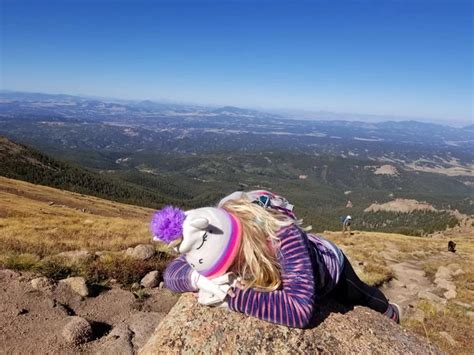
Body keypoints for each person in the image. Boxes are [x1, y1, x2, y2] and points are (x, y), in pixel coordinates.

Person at [151, 198, 400, 329]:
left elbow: (299, 310)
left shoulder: (285, 237)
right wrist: (197, 278)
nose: (231, 271)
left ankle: (390, 311)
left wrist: (231, 296)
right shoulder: (212, 240)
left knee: (362, 296)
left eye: (232, 264)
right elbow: (172, 273)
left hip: (331, 270)